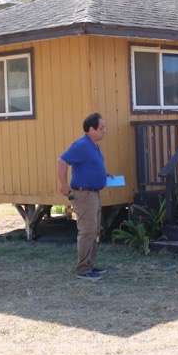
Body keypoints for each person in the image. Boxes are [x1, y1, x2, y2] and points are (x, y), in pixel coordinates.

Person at [57, 113, 108, 281]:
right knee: (87, 231)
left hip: (93, 193)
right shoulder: (81, 145)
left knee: (94, 230)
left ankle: (90, 264)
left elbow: (90, 167)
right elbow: (62, 161)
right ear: (91, 129)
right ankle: (83, 269)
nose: (104, 131)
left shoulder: (93, 146)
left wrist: (104, 175)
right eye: (101, 128)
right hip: (84, 194)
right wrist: (64, 185)